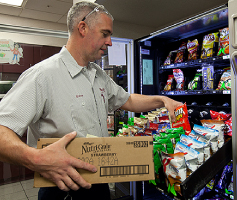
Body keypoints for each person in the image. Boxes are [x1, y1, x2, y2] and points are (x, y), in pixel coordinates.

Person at [0, 1, 182, 200]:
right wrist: (35, 159)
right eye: (105, 34)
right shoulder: (43, 75)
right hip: (62, 190)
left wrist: (163, 100)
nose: (110, 42)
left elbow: (127, 100)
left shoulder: (97, 74)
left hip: (99, 185)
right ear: (83, 28)